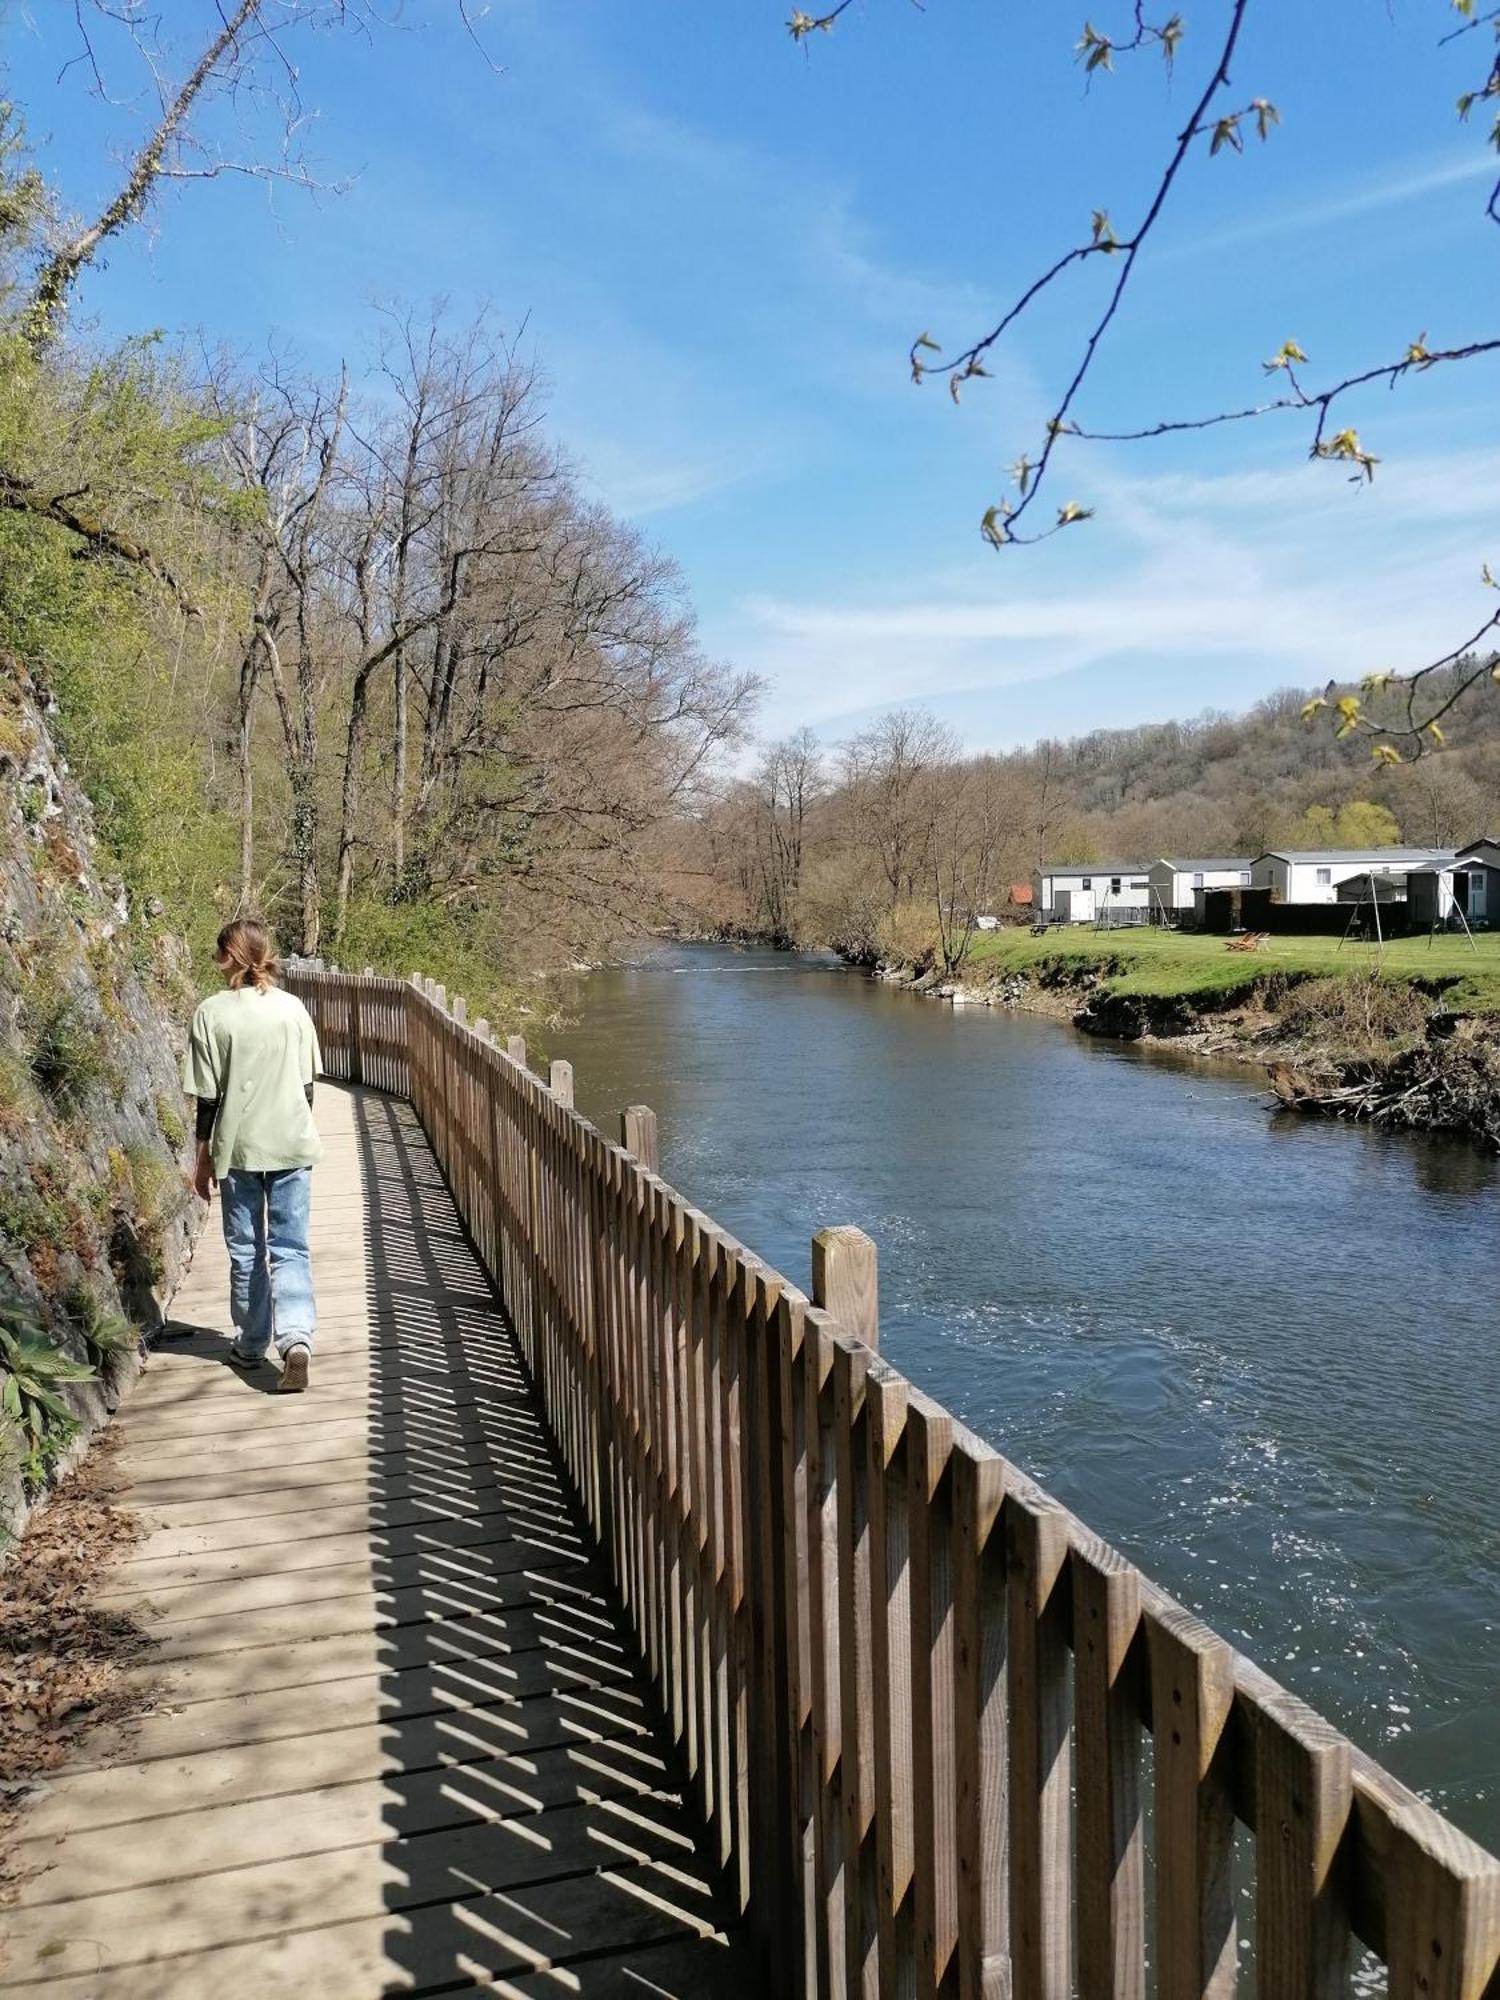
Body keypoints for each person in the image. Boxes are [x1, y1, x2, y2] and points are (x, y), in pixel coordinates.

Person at [182, 917, 324, 1392]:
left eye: (217, 951)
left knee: (247, 1251)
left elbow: (207, 1099)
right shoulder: (293, 1009)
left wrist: (201, 1159)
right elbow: (307, 1087)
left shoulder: (211, 1013)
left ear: (230, 956)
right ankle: (297, 1341)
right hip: (291, 1143)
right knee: (291, 1248)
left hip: (240, 1150)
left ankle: (249, 1343)